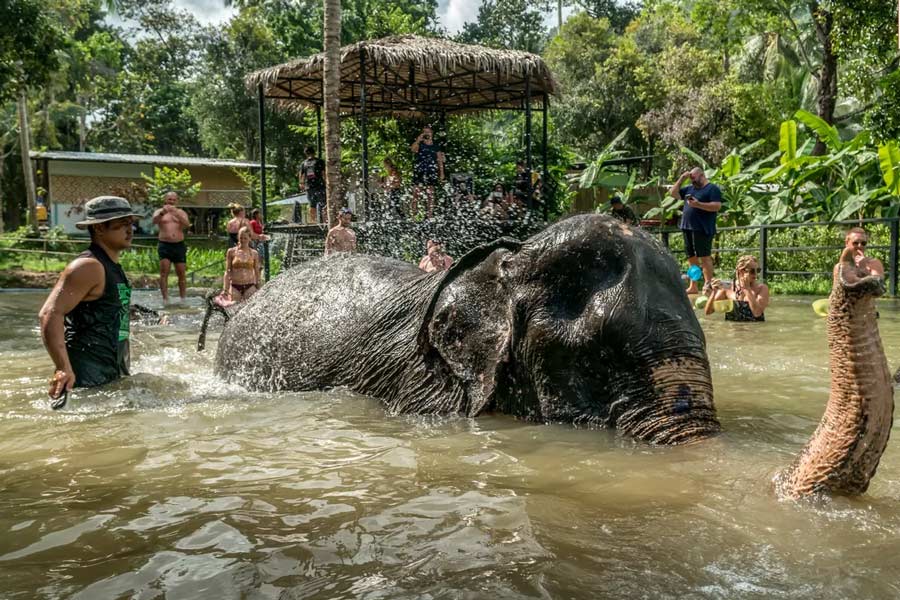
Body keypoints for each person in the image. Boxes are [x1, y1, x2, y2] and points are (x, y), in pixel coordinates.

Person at [38, 196, 140, 402]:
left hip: (111, 370)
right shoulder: (87, 267)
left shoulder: (112, 267)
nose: (130, 230)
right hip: (85, 376)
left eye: (131, 224)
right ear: (99, 229)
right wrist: (63, 368)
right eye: (121, 225)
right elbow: (50, 313)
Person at [670, 167, 723, 295]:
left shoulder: (712, 188)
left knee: (704, 257)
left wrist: (698, 204)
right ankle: (693, 285)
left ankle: (708, 286)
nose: (692, 180)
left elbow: (717, 206)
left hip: (703, 228)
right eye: (690, 178)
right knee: (691, 258)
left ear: (701, 175)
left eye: (693, 178)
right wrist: (682, 178)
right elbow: (673, 193)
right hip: (687, 227)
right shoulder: (689, 188)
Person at [705, 255, 769, 321]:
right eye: (752, 271)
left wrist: (747, 289)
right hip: (733, 329)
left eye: (758, 270)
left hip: (755, 330)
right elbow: (708, 312)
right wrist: (714, 292)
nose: (756, 274)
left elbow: (757, 313)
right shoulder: (728, 289)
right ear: (741, 271)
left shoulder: (761, 288)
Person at [152, 191, 190, 303]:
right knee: (164, 272)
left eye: (174, 199)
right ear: (165, 200)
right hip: (164, 245)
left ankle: (183, 298)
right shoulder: (159, 212)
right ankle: (165, 299)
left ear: (177, 201)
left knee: (181, 273)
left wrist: (176, 214)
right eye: (169, 199)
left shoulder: (181, 212)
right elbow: (154, 221)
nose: (172, 201)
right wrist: (162, 213)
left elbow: (187, 224)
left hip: (178, 245)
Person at [411, 125, 444, 218]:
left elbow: (439, 160)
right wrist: (418, 140)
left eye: (428, 132)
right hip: (420, 170)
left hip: (431, 171)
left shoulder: (436, 145)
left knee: (430, 194)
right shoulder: (420, 144)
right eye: (424, 132)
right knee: (416, 193)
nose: (426, 134)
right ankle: (414, 215)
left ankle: (429, 215)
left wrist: (441, 173)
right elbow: (413, 150)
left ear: (432, 133)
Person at [224, 226, 261, 302]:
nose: (243, 240)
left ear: (250, 239)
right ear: (238, 237)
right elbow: (228, 271)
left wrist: (258, 286)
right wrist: (225, 288)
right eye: (241, 238)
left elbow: (257, 271)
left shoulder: (254, 253)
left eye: (245, 238)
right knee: (234, 308)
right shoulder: (231, 252)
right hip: (235, 286)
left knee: (250, 308)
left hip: (250, 285)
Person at [299, 145, 326, 223]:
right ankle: (325, 221)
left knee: (312, 205)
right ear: (314, 152)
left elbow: (301, 175)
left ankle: (313, 221)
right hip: (320, 186)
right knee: (323, 204)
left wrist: (301, 184)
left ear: (306, 154)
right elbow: (323, 173)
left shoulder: (304, 163)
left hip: (309, 187)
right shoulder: (319, 161)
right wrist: (327, 183)